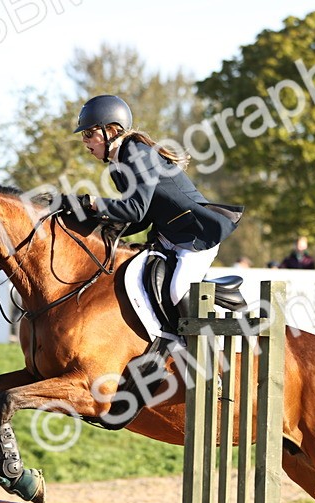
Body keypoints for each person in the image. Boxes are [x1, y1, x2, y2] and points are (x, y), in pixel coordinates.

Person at [67, 94, 242, 331]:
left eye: (89, 134)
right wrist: (96, 226)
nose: (85, 141)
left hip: (195, 236)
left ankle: (203, 355)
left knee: (178, 289)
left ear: (111, 130)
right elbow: (142, 218)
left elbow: (135, 211)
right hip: (168, 235)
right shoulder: (118, 166)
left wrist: (94, 203)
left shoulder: (137, 154)